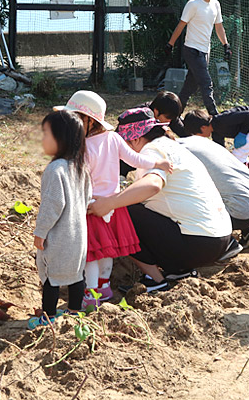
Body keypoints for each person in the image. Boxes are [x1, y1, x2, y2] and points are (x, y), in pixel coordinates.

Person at [89, 110, 232, 293]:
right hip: (219, 239)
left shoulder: (152, 150)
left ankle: (156, 280)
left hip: (199, 243)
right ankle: (179, 271)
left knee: (120, 213)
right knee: (135, 205)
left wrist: (109, 203)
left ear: (135, 140)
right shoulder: (171, 145)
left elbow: (153, 184)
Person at [55, 93, 173, 308]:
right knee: (106, 251)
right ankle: (104, 287)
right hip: (114, 206)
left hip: (91, 206)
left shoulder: (81, 148)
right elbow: (135, 159)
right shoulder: (113, 138)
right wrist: (158, 164)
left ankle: (90, 295)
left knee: (90, 254)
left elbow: (80, 180)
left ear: (89, 121)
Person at [30, 110, 92, 328]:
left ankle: (48, 317)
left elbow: (51, 206)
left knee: (50, 277)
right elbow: (87, 199)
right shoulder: (81, 167)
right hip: (78, 235)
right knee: (77, 273)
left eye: (46, 133)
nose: (42, 139)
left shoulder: (55, 170)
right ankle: (75, 310)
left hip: (58, 236)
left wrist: (40, 232)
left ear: (61, 139)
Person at [178, 134, 249, 252]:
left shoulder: (176, 153)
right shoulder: (198, 141)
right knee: (227, 185)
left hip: (240, 213)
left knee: (180, 198)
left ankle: (225, 244)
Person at [165, 0, 232, 116]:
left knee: (190, 86)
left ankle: (174, 115)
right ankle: (215, 116)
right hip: (192, 50)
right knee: (206, 82)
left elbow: (219, 27)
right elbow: (181, 25)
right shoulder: (193, 4)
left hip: (205, 51)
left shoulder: (216, 5)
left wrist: (225, 45)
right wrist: (170, 44)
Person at [183, 106, 249, 172]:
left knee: (238, 155)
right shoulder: (215, 132)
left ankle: (246, 183)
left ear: (203, 128)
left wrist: (243, 133)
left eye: (197, 134)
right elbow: (220, 150)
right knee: (240, 154)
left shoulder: (222, 120)